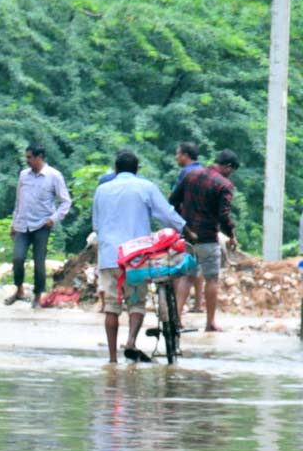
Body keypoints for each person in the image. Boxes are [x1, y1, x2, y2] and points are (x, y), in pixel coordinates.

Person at [92, 150, 186, 364]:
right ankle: (131, 341)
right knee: (136, 302)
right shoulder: (146, 187)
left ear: (116, 169)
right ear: (137, 170)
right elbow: (166, 213)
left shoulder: (102, 190)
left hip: (109, 256)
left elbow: (96, 225)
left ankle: (113, 358)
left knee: (111, 306)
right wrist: (185, 228)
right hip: (135, 257)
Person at [169, 148, 239, 332]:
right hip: (208, 238)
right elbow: (224, 216)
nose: (230, 175)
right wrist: (231, 234)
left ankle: (176, 318)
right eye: (231, 171)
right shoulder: (224, 185)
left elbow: (173, 200)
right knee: (212, 278)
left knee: (188, 276)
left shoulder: (191, 175)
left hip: (189, 237)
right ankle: (210, 323)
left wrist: (183, 222)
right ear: (228, 167)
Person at [6, 143, 72, 307]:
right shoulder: (23, 175)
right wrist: (14, 223)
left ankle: (37, 296)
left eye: (30, 157)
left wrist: (54, 219)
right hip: (23, 224)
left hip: (42, 225)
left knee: (39, 261)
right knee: (18, 257)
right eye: (26, 157)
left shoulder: (53, 176)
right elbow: (18, 201)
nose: (27, 161)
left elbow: (66, 201)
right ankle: (19, 290)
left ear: (39, 157)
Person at [171, 141, 204, 312]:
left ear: (185, 155)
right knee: (197, 263)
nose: (176, 157)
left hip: (187, 225)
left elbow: (174, 199)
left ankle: (178, 308)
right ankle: (198, 303)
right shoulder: (204, 172)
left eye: (178, 154)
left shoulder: (186, 174)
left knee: (181, 264)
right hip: (204, 225)